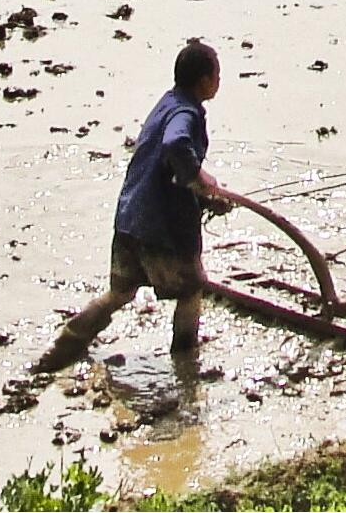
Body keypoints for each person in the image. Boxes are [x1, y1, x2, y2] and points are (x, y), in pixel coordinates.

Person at [34, 38, 232, 372]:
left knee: (119, 294)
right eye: (217, 76)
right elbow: (176, 145)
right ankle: (186, 368)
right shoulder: (186, 113)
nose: (218, 83)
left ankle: (61, 350)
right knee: (191, 291)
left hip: (130, 217)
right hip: (161, 228)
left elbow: (163, 163)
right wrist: (201, 179)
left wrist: (201, 195)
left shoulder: (167, 103)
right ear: (204, 81)